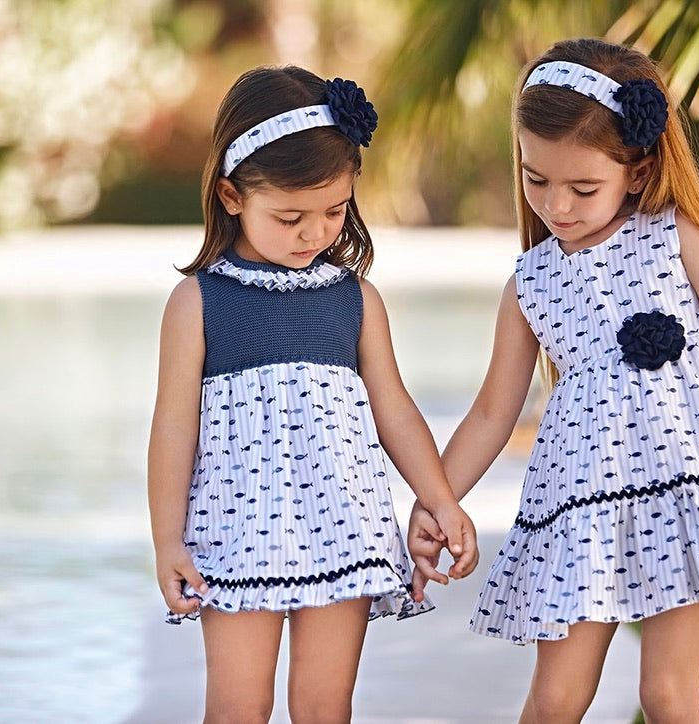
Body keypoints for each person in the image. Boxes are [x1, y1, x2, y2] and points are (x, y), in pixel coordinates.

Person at [408, 37, 699, 723]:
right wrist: (436, 500)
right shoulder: (530, 284)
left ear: (638, 172)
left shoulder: (678, 240)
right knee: (555, 700)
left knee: (667, 695)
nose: (556, 205)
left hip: (689, 491)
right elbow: (494, 412)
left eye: (583, 187)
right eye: (535, 179)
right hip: (582, 508)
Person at [147, 65, 478, 724]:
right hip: (234, 539)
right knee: (237, 709)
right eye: (291, 216)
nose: (315, 232)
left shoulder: (355, 301)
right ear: (232, 196)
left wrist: (440, 499)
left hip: (343, 531)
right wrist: (167, 542)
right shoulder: (199, 303)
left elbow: (395, 410)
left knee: (325, 710)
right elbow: (173, 430)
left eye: (334, 211)